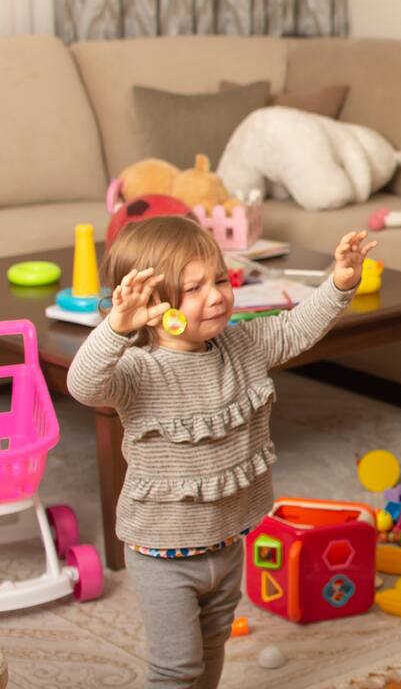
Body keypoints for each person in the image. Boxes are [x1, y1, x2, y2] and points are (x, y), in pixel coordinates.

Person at [67, 215, 377, 688]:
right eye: (194, 289)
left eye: (219, 280)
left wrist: (341, 282)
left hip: (227, 541)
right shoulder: (137, 371)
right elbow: (83, 384)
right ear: (153, 305)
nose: (215, 296)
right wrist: (114, 330)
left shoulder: (242, 344)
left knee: (214, 642)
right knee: (177, 668)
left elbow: (296, 328)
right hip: (162, 554)